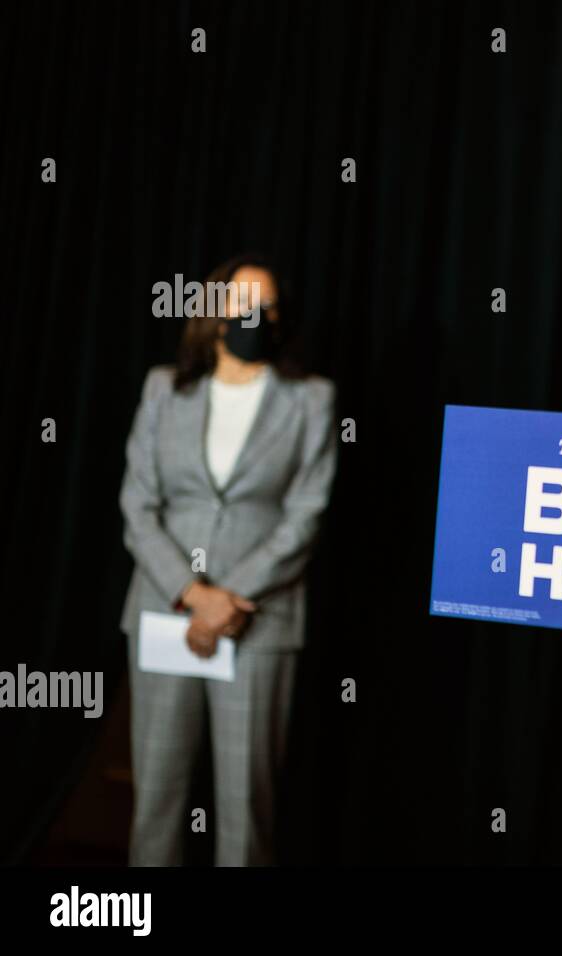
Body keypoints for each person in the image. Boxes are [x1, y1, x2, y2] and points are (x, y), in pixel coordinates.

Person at [118, 253, 337, 865]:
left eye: (267, 307)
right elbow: (137, 503)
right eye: (243, 305)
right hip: (166, 616)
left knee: (247, 809)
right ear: (211, 315)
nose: (255, 317)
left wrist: (229, 599)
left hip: (258, 622)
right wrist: (193, 594)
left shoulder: (312, 399)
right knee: (157, 803)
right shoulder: (165, 388)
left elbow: (306, 514)